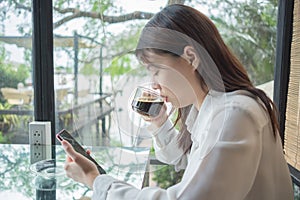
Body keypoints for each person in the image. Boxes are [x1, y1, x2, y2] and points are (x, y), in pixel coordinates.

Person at [59, 4, 294, 200]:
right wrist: (160, 123)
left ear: (190, 57)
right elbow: (181, 159)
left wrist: (96, 180)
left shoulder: (236, 112)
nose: (154, 84)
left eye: (156, 70)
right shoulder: (208, 108)